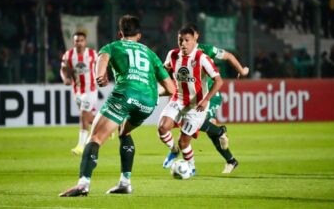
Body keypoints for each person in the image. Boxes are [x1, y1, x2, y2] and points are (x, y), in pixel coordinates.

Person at [59, 15, 175, 197]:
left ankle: (83, 184)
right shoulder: (151, 54)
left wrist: (100, 75)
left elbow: (102, 59)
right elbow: (171, 88)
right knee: (124, 131)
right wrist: (150, 93)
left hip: (125, 94)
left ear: (120, 33)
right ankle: (125, 183)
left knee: (95, 138)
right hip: (148, 101)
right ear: (139, 35)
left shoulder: (113, 46)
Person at [160, 23, 249, 174]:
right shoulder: (175, 54)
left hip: (208, 96)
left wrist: (241, 70)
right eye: (181, 39)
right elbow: (167, 72)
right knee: (200, 127)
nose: (184, 42)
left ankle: (226, 149)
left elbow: (228, 56)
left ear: (196, 37)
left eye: (189, 38)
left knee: (203, 126)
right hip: (185, 97)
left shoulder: (205, 51)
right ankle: (230, 157)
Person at [60, 32, 98, 155]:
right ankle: (106, 126)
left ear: (85, 42)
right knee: (87, 117)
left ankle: (81, 146)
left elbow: (102, 65)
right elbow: (63, 68)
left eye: (81, 40)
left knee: (83, 114)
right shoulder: (68, 55)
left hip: (90, 90)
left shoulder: (92, 54)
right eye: (77, 41)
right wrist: (65, 78)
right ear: (73, 42)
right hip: (77, 91)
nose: (79, 43)